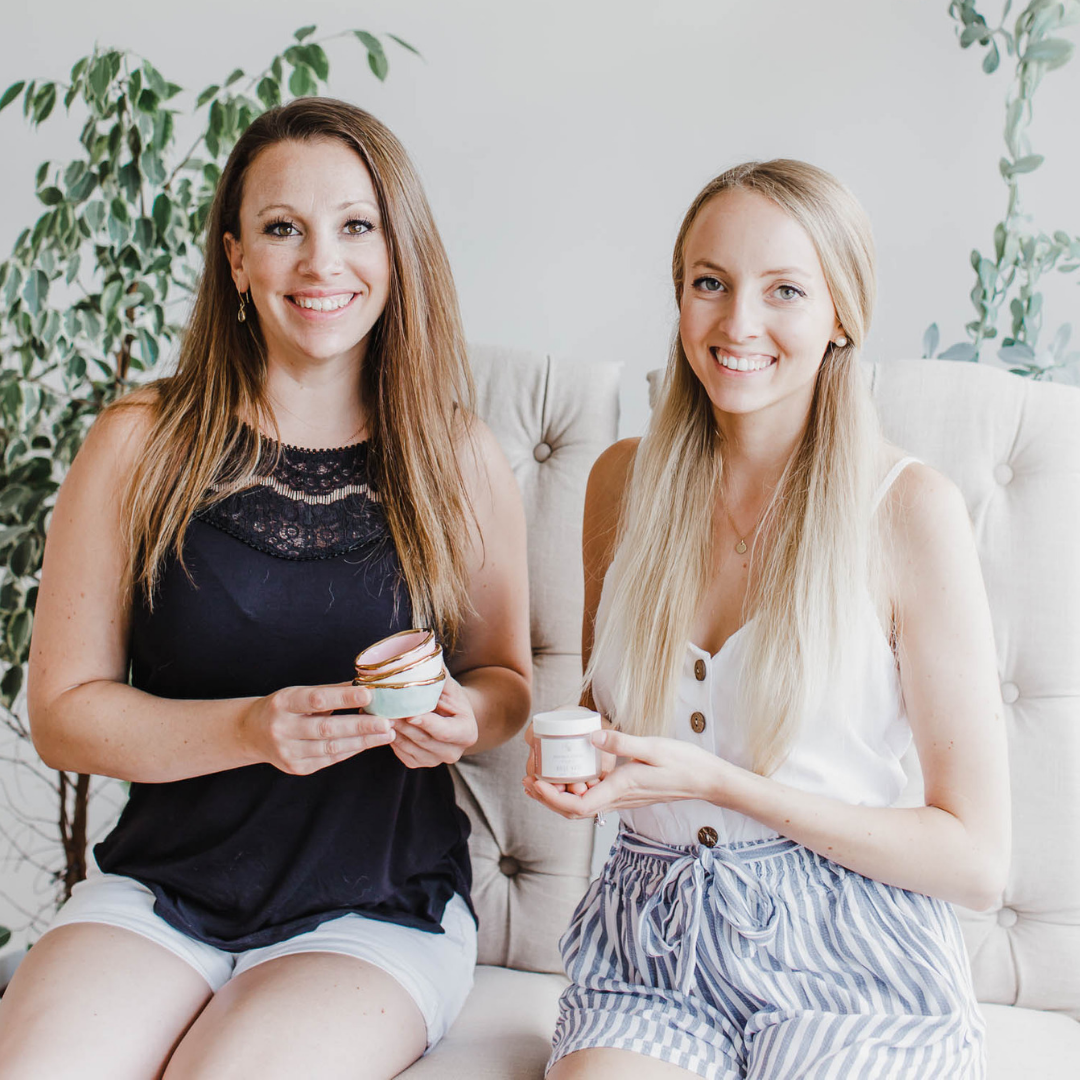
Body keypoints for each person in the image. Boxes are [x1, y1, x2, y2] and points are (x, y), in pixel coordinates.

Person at [0, 98, 531, 1079]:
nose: (322, 263)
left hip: (376, 903)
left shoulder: (459, 455)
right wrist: (250, 731)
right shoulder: (139, 442)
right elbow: (64, 716)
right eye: (283, 229)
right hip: (161, 891)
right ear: (236, 258)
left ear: (396, 251)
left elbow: (504, 679)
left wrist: (462, 713)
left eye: (355, 227)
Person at [524, 159, 1008, 1079]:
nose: (738, 323)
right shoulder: (619, 485)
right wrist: (582, 765)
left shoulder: (908, 510)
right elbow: (609, 726)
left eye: (784, 289)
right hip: (653, 945)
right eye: (711, 283)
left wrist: (725, 784)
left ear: (841, 317)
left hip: (852, 955)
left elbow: (977, 858)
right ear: (679, 298)